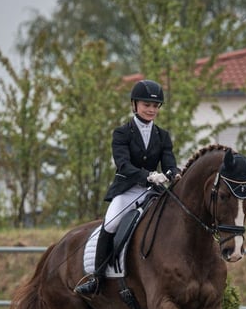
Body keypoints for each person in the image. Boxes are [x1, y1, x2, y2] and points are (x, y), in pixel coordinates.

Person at [74, 79, 181, 296]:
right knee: (111, 224)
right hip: (128, 190)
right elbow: (123, 165)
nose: (151, 109)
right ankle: (98, 278)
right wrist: (149, 175)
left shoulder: (162, 135)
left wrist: (174, 173)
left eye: (155, 106)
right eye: (146, 105)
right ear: (135, 105)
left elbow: (169, 163)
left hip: (153, 192)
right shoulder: (122, 133)